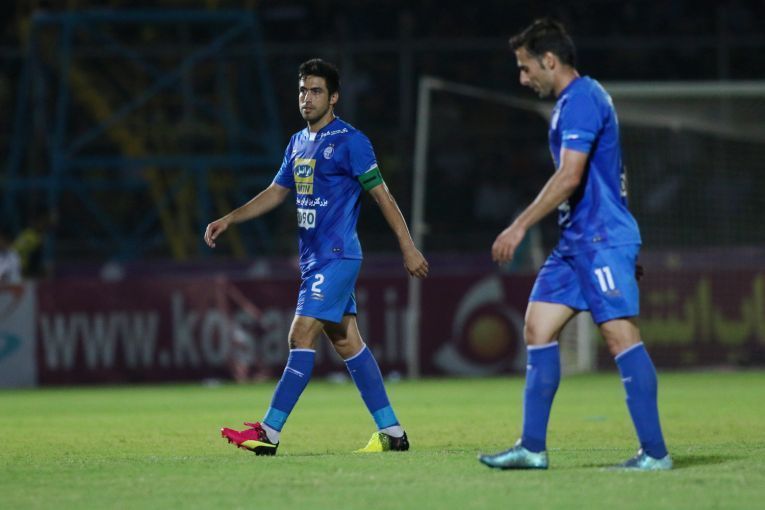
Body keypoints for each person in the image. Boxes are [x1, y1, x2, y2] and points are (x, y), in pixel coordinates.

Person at [205, 58, 428, 456]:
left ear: (334, 97)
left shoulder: (351, 141)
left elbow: (383, 196)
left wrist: (407, 246)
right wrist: (231, 218)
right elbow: (276, 192)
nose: (307, 98)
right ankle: (393, 432)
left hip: (337, 256)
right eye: (303, 90)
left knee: (300, 334)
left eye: (316, 91)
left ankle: (269, 432)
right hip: (313, 260)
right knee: (347, 342)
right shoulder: (297, 143)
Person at [478, 19, 671, 471]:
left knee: (620, 336)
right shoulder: (575, 102)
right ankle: (532, 448)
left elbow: (570, 177)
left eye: (526, 67)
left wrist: (519, 226)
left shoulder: (582, 99)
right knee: (537, 327)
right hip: (579, 241)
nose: (522, 78)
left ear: (549, 61)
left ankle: (655, 453)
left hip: (599, 239)